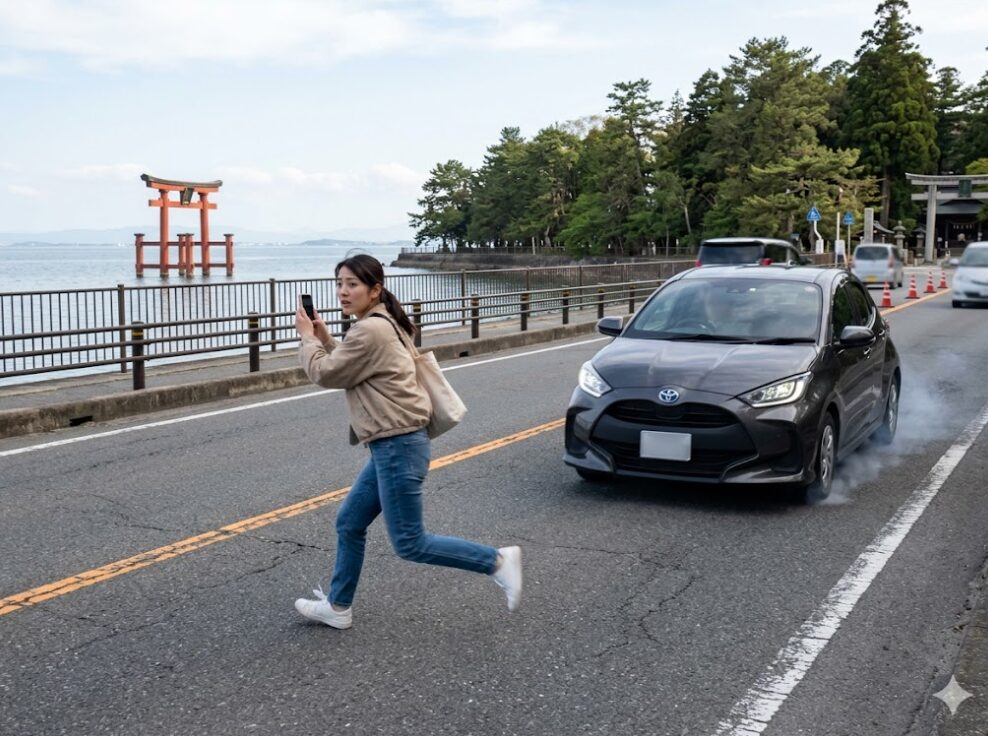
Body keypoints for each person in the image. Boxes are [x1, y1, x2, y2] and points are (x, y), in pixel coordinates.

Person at [292, 254, 522, 629]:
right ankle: (338, 606)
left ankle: (497, 562)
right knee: (349, 521)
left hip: (398, 446)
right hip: (393, 445)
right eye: (339, 283)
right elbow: (355, 365)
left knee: (410, 543)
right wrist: (325, 338)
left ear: (375, 289)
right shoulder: (382, 323)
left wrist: (306, 340)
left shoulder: (371, 329)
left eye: (352, 284)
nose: (343, 292)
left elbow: (327, 373)